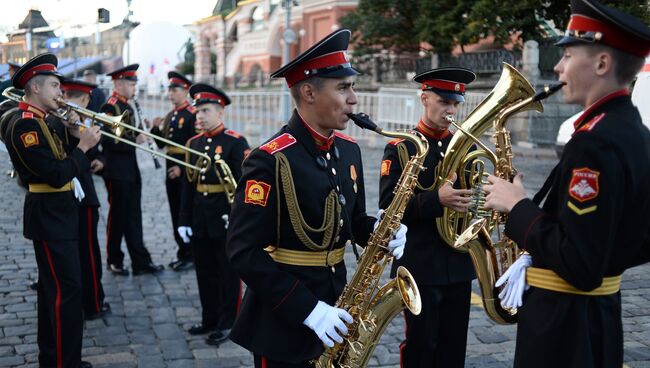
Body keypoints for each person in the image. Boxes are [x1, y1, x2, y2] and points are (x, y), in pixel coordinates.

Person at [225, 29, 407, 367]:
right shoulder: (270, 159)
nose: (354, 99)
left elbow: (351, 222)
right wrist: (309, 310)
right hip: (283, 318)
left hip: (338, 305)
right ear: (308, 92)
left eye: (352, 86)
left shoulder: (348, 150)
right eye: (343, 87)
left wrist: (382, 230)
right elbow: (242, 251)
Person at [482, 0, 650, 367]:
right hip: (597, 318)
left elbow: (580, 264)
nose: (557, 67)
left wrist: (518, 206)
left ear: (602, 64)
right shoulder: (634, 132)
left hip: (564, 331)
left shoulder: (595, 142)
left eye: (569, 55)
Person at [2, 53, 100, 368]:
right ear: (35, 88)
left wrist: (74, 138)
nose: (61, 93)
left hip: (59, 214)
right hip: (49, 216)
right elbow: (56, 174)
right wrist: (83, 148)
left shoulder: (45, 121)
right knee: (65, 292)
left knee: (57, 290)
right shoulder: (25, 126)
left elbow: (62, 162)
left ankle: (57, 356)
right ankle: (62, 361)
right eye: (55, 86)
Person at [378, 68, 476, 368]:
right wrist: (437, 200)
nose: (451, 110)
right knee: (422, 343)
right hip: (420, 262)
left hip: (458, 262)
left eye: (455, 103)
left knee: (453, 344)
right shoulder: (401, 147)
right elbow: (387, 207)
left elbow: (473, 204)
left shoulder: (467, 148)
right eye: (444, 101)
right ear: (424, 98)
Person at [178, 83, 249, 345]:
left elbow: (244, 186)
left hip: (225, 215)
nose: (200, 116)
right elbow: (188, 184)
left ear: (221, 112)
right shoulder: (193, 143)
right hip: (200, 216)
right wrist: (184, 219)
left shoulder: (235, 142)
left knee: (227, 272)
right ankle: (209, 318)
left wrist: (240, 218)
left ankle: (229, 321)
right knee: (204, 271)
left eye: (205, 111)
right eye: (198, 111)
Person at [46, 79, 110, 320]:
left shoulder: (83, 123)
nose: (69, 99)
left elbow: (98, 153)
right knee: (79, 253)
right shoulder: (54, 120)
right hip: (69, 196)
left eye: (74, 95)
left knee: (87, 251)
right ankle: (88, 301)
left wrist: (101, 161)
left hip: (84, 195)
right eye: (67, 94)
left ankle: (93, 300)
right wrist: (70, 128)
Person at [100, 64, 163, 276]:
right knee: (118, 218)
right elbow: (111, 142)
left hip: (130, 170)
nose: (135, 87)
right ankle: (114, 259)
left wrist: (140, 128)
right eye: (131, 83)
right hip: (117, 172)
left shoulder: (126, 105)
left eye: (135, 83)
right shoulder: (111, 107)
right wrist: (136, 139)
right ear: (118, 84)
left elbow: (123, 135)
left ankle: (140, 261)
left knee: (133, 217)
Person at [150, 71, 197, 271]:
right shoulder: (170, 115)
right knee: (175, 209)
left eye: (175, 90)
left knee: (186, 210)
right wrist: (154, 129)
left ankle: (191, 253)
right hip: (171, 166)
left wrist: (182, 168)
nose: (170, 93)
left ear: (185, 91)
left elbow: (197, 148)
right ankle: (182, 251)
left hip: (185, 169)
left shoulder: (192, 115)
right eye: (169, 90)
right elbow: (163, 145)